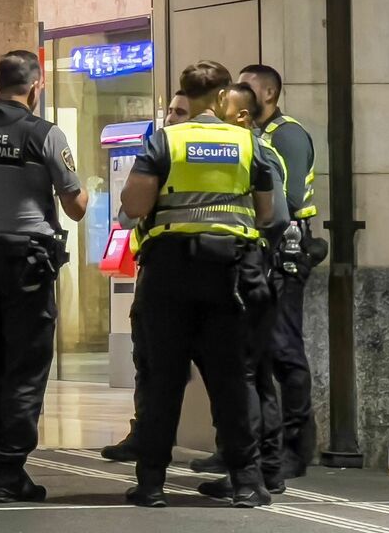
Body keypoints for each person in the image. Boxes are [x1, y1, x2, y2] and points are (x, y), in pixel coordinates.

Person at [118, 61, 275, 509]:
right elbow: (265, 213)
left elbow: (134, 203)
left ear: (185, 93)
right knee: (230, 381)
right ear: (224, 95)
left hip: (169, 273)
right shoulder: (248, 142)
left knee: (163, 379)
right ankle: (246, 482)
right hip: (229, 277)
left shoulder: (165, 140)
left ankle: (151, 485)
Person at [0, 50, 89, 503]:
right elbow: (76, 205)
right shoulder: (44, 134)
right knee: (25, 368)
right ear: (37, 84)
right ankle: (11, 472)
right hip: (25, 262)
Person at [193, 82, 291, 499]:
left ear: (242, 116)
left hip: (251, 275)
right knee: (253, 377)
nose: (212, 115)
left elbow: (276, 216)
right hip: (246, 274)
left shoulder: (253, 150)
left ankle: (256, 471)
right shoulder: (243, 147)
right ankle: (261, 469)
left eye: (221, 107)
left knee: (247, 378)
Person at [239, 64, 323, 479]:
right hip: (260, 250)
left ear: (269, 92)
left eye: (248, 85)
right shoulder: (252, 135)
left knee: (285, 350)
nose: (239, 91)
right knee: (255, 353)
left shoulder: (285, 134)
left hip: (285, 250)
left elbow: (285, 199)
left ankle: (296, 447)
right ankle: (250, 444)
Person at [101, 90, 190, 463]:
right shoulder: (158, 153)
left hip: (188, 276)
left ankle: (155, 461)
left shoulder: (166, 155)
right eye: (169, 110)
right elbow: (125, 217)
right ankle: (146, 438)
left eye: (179, 111)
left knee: (183, 371)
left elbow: (130, 211)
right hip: (160, 275)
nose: (170, 117)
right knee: (150, 365)